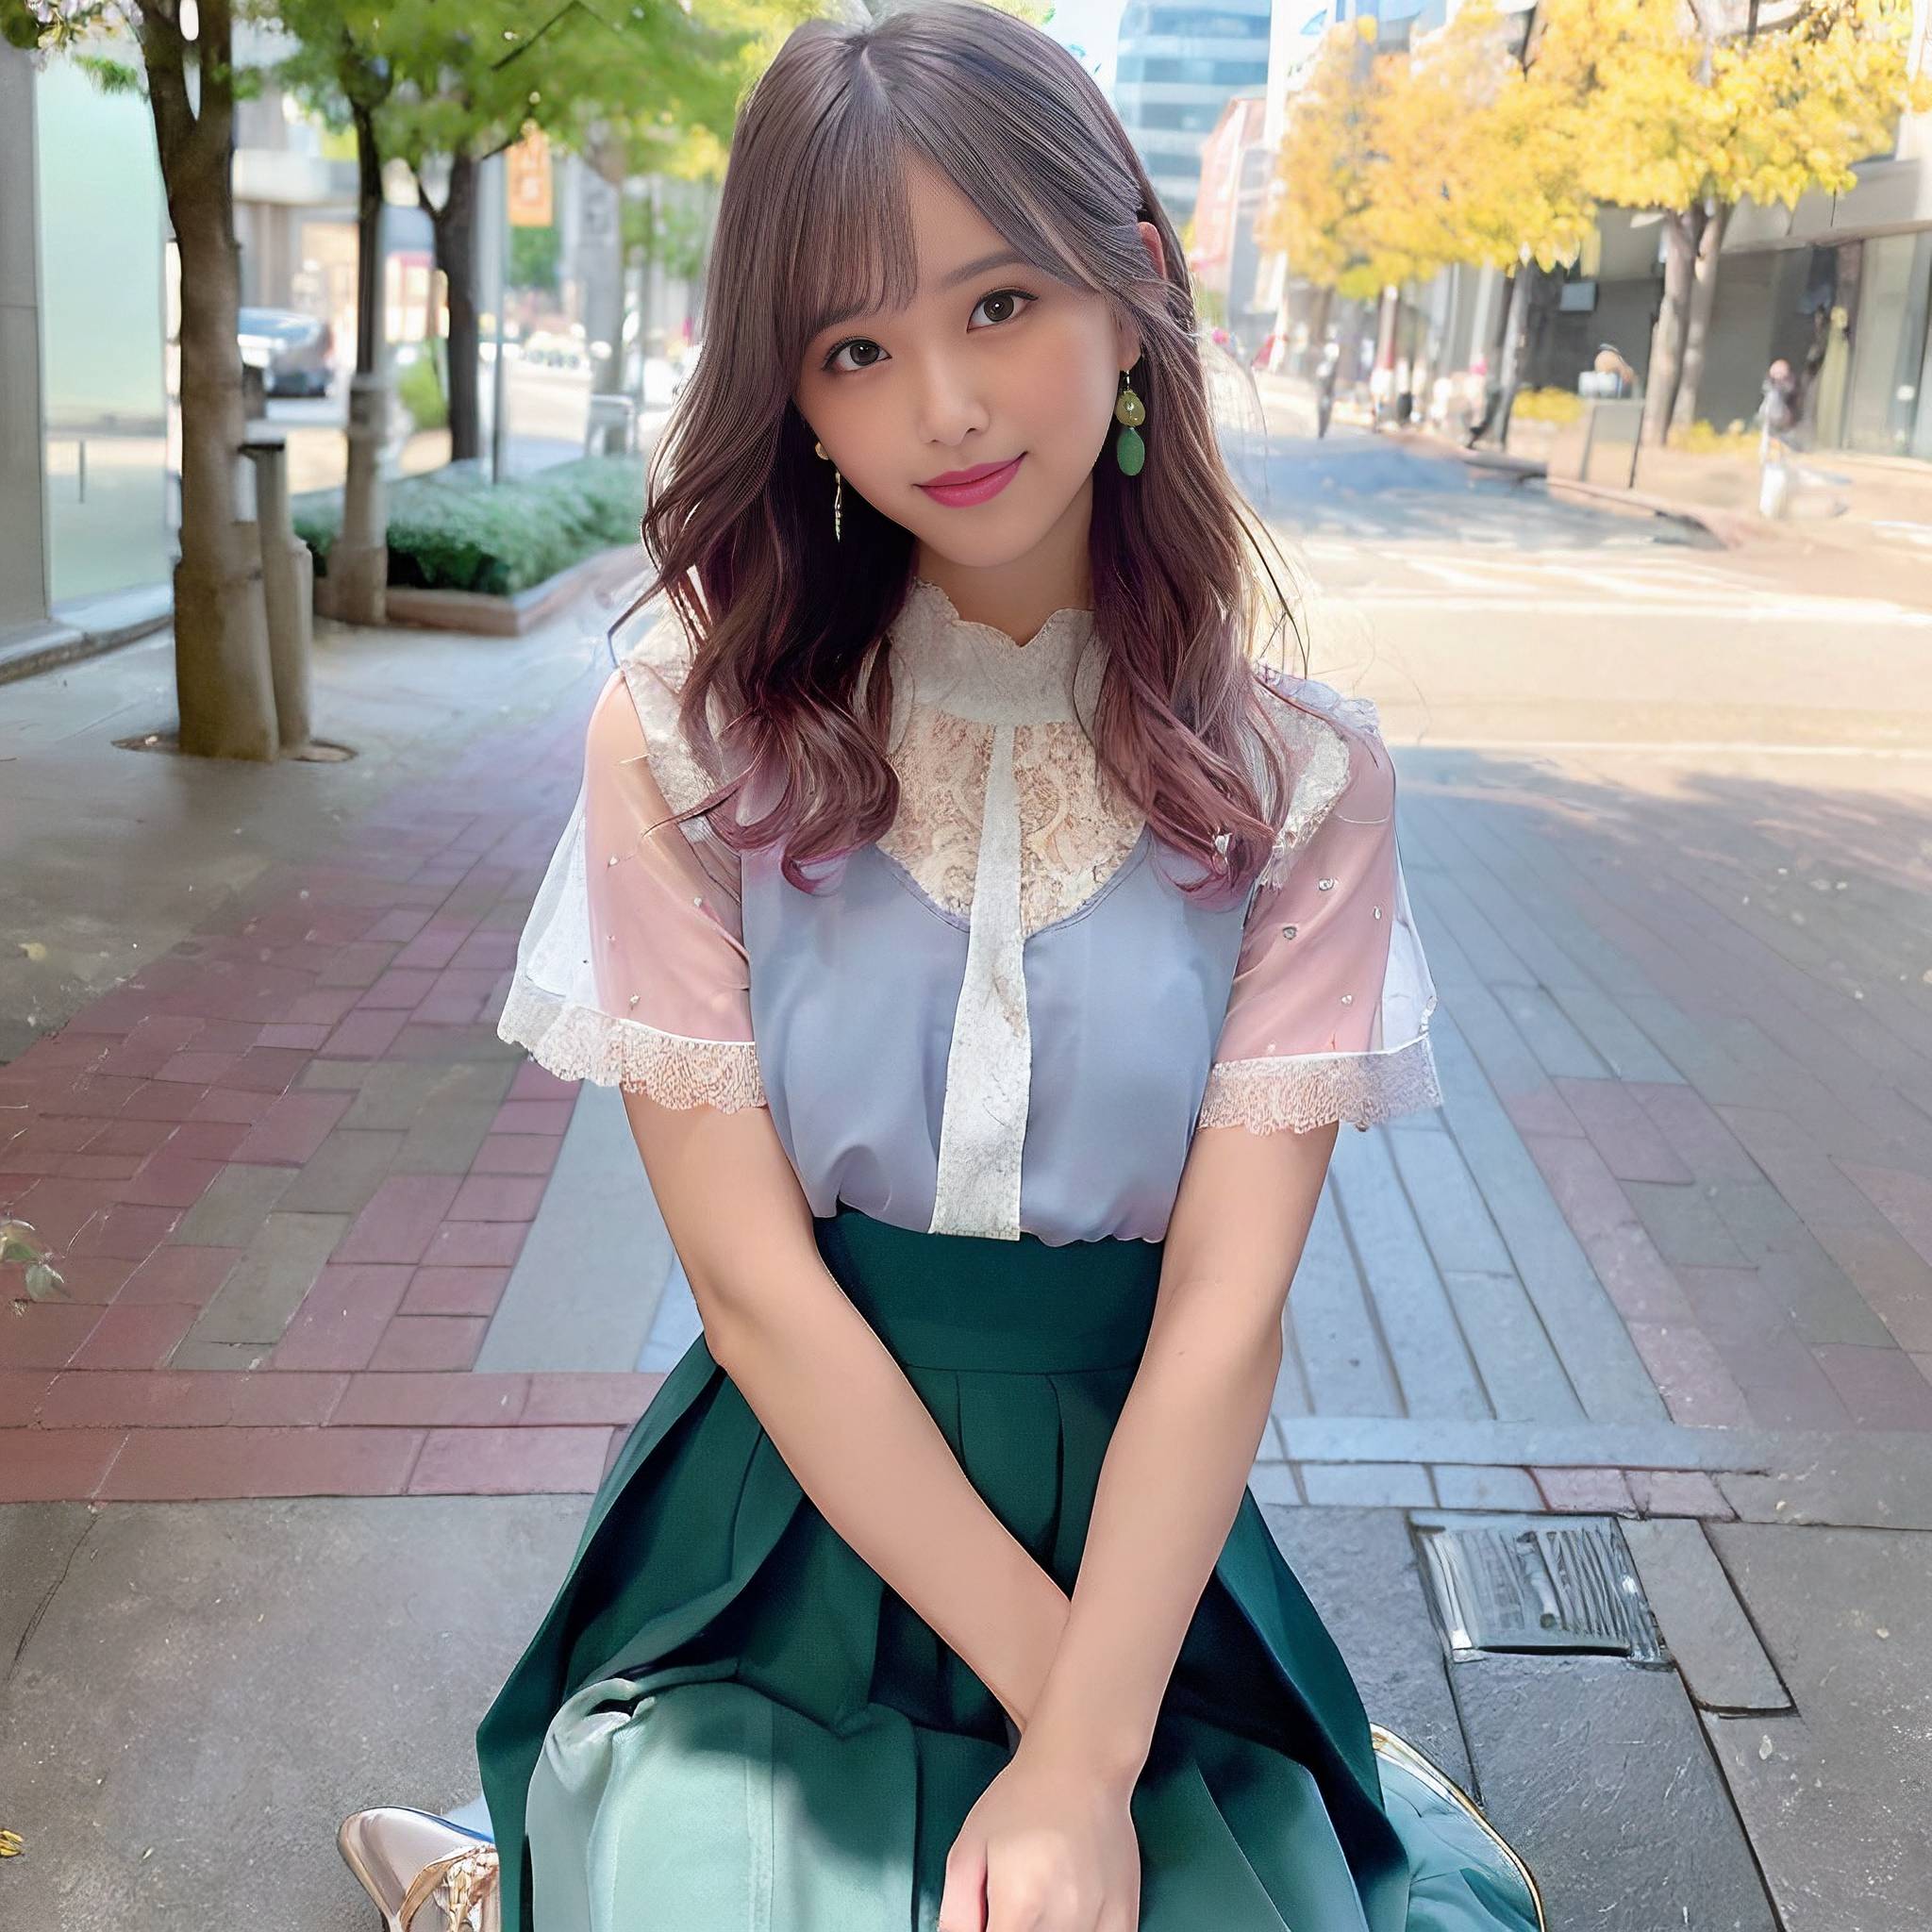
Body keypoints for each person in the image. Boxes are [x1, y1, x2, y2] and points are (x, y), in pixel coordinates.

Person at [335, 6, 1544, 1929]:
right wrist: (1062, 1748)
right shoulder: (683, 736)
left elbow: (1223, 1317)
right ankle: (533, 1870)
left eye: (996, 305)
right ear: (795, 399)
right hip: (776, 1535)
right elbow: (749, 1285)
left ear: (1133, 282)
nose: (946, 408)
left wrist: (1082, 1752)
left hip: (1137, 1543)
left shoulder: (1299, 780)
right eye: (855, 348)